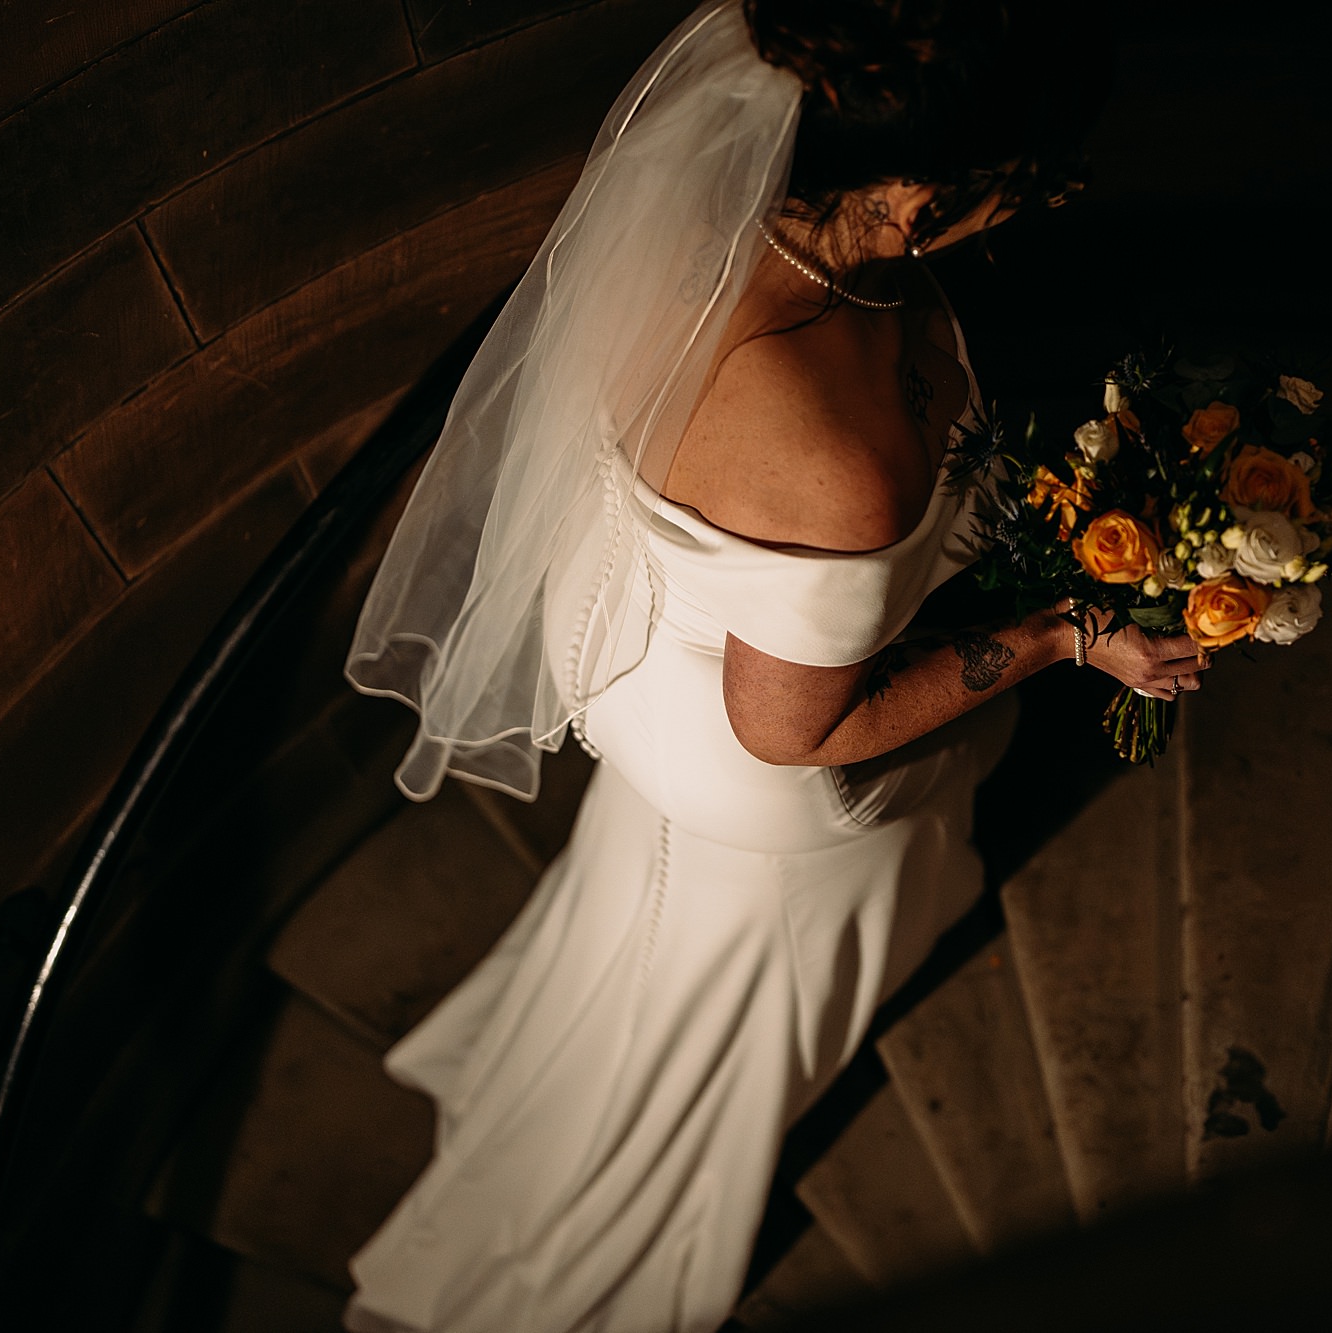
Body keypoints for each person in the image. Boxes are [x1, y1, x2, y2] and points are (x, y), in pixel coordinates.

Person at [341, 2, 1207, 1329]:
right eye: (1022, 192)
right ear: (912, 193)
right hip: (782, 767)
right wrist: (1060, 634)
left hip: (692, 687)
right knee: (705, 1026)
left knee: (646, 946)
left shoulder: (721, 217)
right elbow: (798, 729)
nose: (1024, 218)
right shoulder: (831, 460)